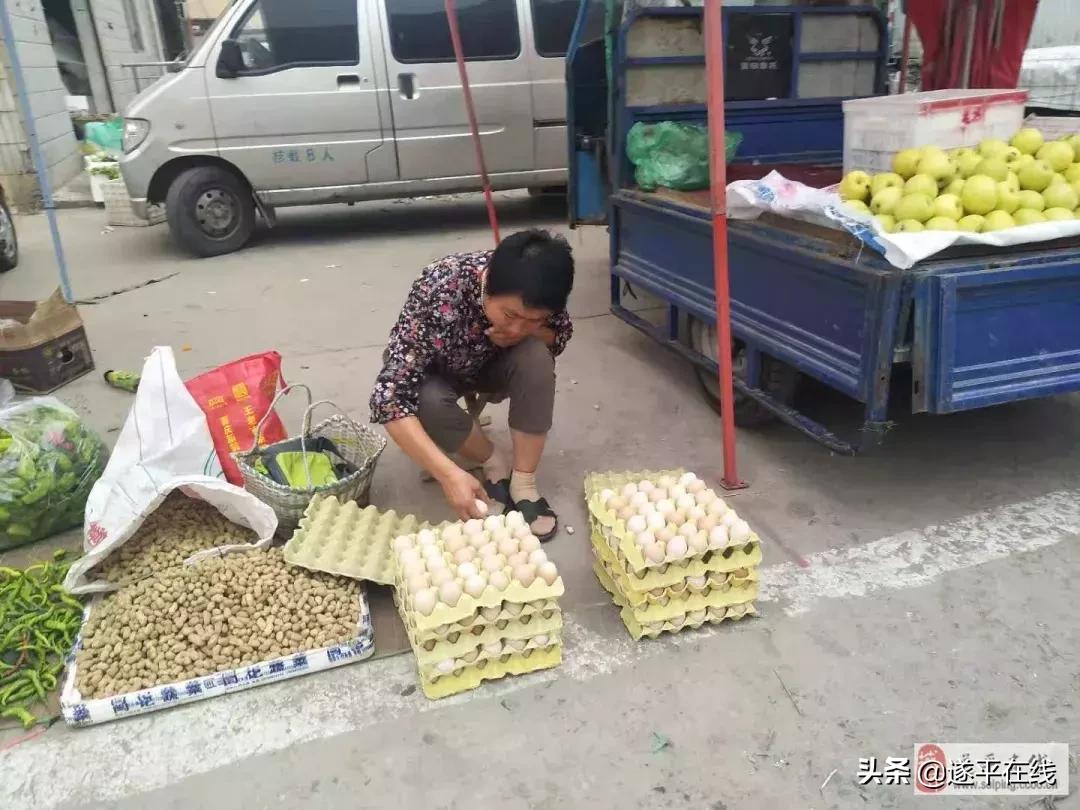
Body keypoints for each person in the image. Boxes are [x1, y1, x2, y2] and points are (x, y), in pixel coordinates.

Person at [370, 229, 575, 541]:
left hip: (491, 365)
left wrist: (530, 334)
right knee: (425, 396)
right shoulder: (440, 287)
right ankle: (492, 461)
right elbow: (389, 397)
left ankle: (524, 483)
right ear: (489, 281)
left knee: (536, 356)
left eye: (533, 319)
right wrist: (448, 474)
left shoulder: (542, 293)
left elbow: (558, 335)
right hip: (437, 370)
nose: (519, 326)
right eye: (510, 314)